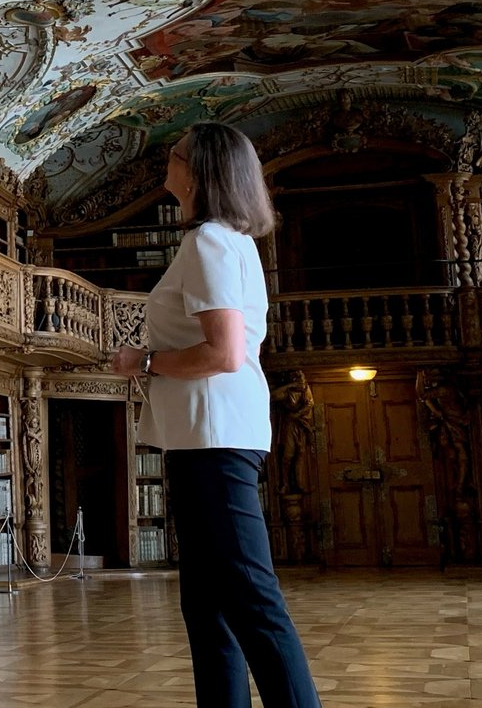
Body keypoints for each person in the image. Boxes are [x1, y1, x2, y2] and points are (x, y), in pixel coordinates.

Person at [110, 123, 321, 708]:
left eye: (174, 155)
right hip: (207, 433)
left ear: (199, 171)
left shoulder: (209, 241)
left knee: (251, 597)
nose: (166, 162)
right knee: (207, 605)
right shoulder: (228, 241)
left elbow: (223, 353)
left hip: (214, 435)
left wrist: (144, 359)